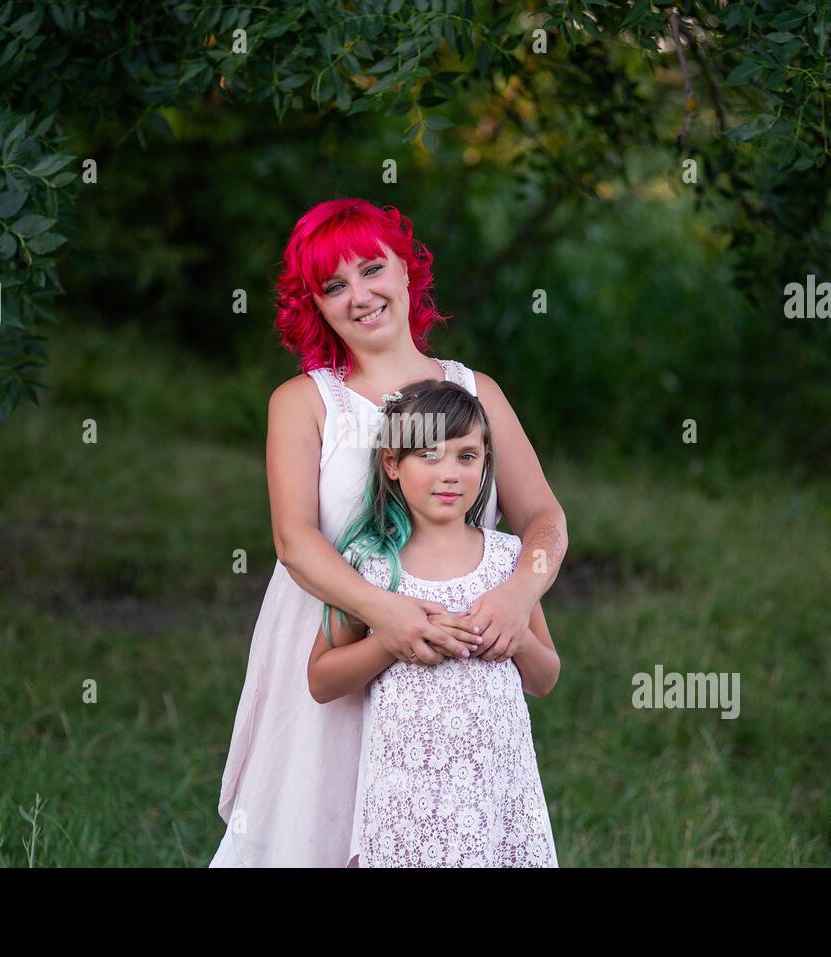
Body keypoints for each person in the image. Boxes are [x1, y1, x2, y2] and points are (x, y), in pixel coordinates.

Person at [210, 198, 567, 867]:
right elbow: (294, 540)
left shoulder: (473, 392)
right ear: (314, 306)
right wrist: (386, 616)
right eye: (334, 286)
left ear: (407, 272)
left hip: (447, 667)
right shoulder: (305, 402)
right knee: (319, 828)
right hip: (342, 626)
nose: (360, 295)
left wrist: (520, 594)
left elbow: (545, 518)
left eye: (372, 269)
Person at [309, 379, 561, 867]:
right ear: (392, 464)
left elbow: (546, 677)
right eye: (429, 455)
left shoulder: (509, 562)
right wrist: (390, 642)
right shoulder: (371, 565)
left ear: (485, 464)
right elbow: (321, 680)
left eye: (467, 457)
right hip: (406, 803)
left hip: (497, 799)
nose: (450, 474)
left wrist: (516, 638)